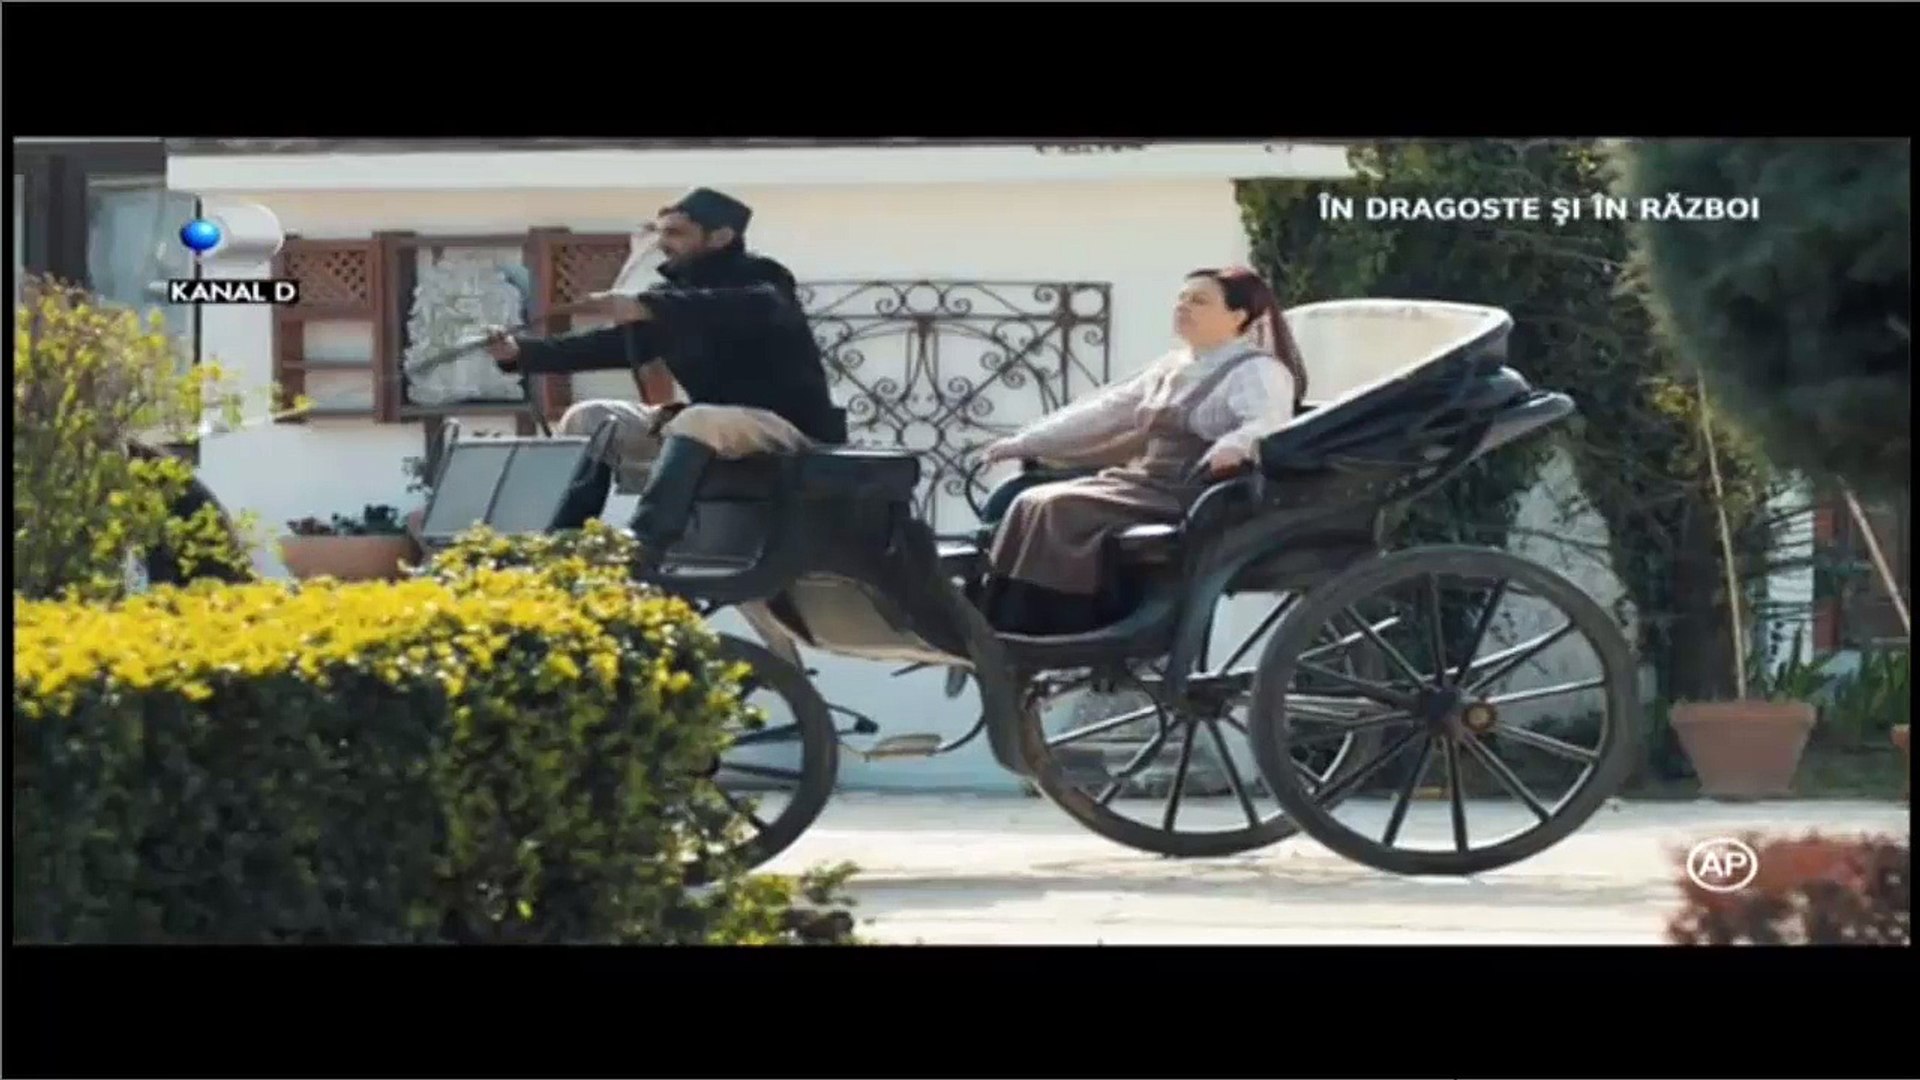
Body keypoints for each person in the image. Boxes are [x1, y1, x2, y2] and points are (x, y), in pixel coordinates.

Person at [484, 186, 843, 556]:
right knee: (589, 417)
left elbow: (747, 305)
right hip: (704, 425)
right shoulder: (672, 296)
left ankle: (645, 544)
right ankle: (564, 542)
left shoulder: (763, 277)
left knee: (698, 419)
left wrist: (647, 305)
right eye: (661, 233)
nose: (662, 243)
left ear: (720, 236)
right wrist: (519, 353)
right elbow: (610, 345)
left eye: (675, 233)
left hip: (783, 427)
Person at [974, 266, 1308, 636]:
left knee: (1058, 508)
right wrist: (1024, 442)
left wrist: (1234, 446)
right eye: (1182, 298)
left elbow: (1268, 423)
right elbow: (1105, 413)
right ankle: (997, 621)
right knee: (1027, 501)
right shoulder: (1173, 367)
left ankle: (1061, 628)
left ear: (1238, 316)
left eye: (1199, 300)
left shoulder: (1257, 370)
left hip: (1192, 492)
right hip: (1144, 482)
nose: (1183, 307)